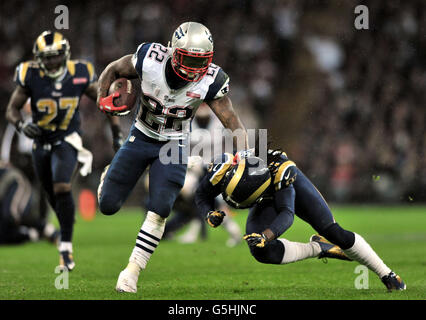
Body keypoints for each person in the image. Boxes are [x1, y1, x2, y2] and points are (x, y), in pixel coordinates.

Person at [96, 22, 247, 293]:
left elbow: (232, 121)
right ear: (173, 51)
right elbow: (113, 69)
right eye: (187, 58)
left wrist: (246, 155)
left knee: (160, 208)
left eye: (199, 61)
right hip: (141, 136)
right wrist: (101, 97)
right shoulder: (148, 58)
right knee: (107, 205)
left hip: (174, 143)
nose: (192, 67)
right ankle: (110, 173)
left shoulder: (211, 79)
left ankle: (131, 271)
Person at [195, 149, 406, 291]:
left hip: (288, 190)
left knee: (333, 231)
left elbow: (287, 214)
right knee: (260, 251)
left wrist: (266, 235)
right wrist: (208, 213)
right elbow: (202, 195)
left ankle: (387, 274)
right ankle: (319, 248)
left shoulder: (280, 173)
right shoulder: (222, 169)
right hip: (265, 196)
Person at [5, 30, 123, 271]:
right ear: (38, 58)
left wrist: (116, 133)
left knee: (61, 186)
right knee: (52, 195)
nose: (51, 62)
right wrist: (21, 126)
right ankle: (64, 220)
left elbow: (105, 102)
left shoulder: (78, 74)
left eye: (55, 56)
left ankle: (65, 247)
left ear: (65, 55)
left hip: (67, 140)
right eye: (46, 57)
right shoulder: (30, 75)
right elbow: (12, 110)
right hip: (40, 143)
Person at [0, 161, 59, 245]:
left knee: (11, 214)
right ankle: (34, 234)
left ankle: (47, 228)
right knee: (3, 232)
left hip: (14, 182)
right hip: (4, 191)